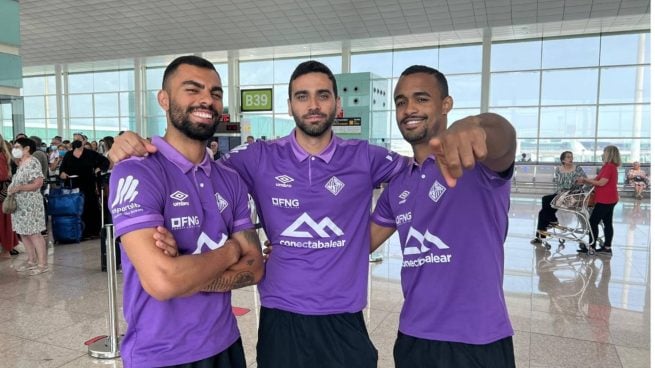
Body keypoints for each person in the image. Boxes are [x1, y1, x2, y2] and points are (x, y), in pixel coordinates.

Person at [108, 60, 406, 368]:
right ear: (289, 106)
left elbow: (418, 172)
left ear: (338, 104)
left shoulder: (365, 156)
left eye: (324, 95)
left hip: (341, 316)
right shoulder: (256, 158)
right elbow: (182, 156)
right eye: (302, 96)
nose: (313, 105)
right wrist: (127, 142)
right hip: (279, 315)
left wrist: (365, 238)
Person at [109, 55, 264, 367]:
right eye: (192, 89)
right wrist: (231, 249)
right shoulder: (137, 172)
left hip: (226, 345)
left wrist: (184, 272)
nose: (207, 99)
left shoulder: (229, 178)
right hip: (160, 354)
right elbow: (163, 282)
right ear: (164, 100)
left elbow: (256, 268)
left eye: (216, 93)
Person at [369, 65, 517, 367]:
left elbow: (505, 140)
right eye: (401, 101)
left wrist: (477, 124)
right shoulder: (397, 186)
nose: (409, 108)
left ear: (446, 105)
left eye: (421, 99)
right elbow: (358, 245)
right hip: (413, 338)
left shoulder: (480, 164)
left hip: (478, 340)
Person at [7, 138, 48, 275]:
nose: (15, 149)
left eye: (17, 147)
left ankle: (42, 264)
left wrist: (19, 187)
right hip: (20, 204)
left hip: (31, 203)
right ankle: (31, 260)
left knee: (34, 233)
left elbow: (38, 183)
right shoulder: (20, 163)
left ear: (26, 149)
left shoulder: (33, 162)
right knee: (23, 233)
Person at [531, 151, 587, 244]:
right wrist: (571, 183)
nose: (571, 159)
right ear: (563, 160)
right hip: (562, 193)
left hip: (574, 195)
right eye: (568, 157)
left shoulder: (577, 169)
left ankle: (550, 224)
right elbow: (560, 184)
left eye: (571, 157)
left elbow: (584, 180)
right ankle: (544, 231)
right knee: (543, 210)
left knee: (545, 203)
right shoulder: (558, 169)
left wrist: (574, 184)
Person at [59, 136, 110, 239]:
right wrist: (63, 174)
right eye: (75, 139)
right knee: (76, 208)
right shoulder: (68, 155)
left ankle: (92, 231)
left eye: (79, 139)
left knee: (90, 207)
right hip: (73, 186)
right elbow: (62, 170)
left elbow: (105, 162)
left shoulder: (90, 154)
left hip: (88, 185)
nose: (77, 141)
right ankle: (77, 231)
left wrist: (98, 169)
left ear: (84, 141)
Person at [576, 145, 621, 255]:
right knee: (607, 223)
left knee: (592, 222)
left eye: (604, 152)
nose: (602, 154)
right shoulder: (607, 166)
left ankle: (592, 247)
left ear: (609, 154)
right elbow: (597, 179)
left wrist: (585, 180)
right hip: (609, 198)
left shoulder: (610, 167)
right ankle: (607, 247)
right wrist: (584, 181)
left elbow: (601, 183)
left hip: (606, 200)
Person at [0, 136, 18, 259]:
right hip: (3, 192)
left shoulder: (1, 156)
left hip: (1, 194)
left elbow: (3, 175)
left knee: (3, 223)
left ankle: (6, 250)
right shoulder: (3, 155)